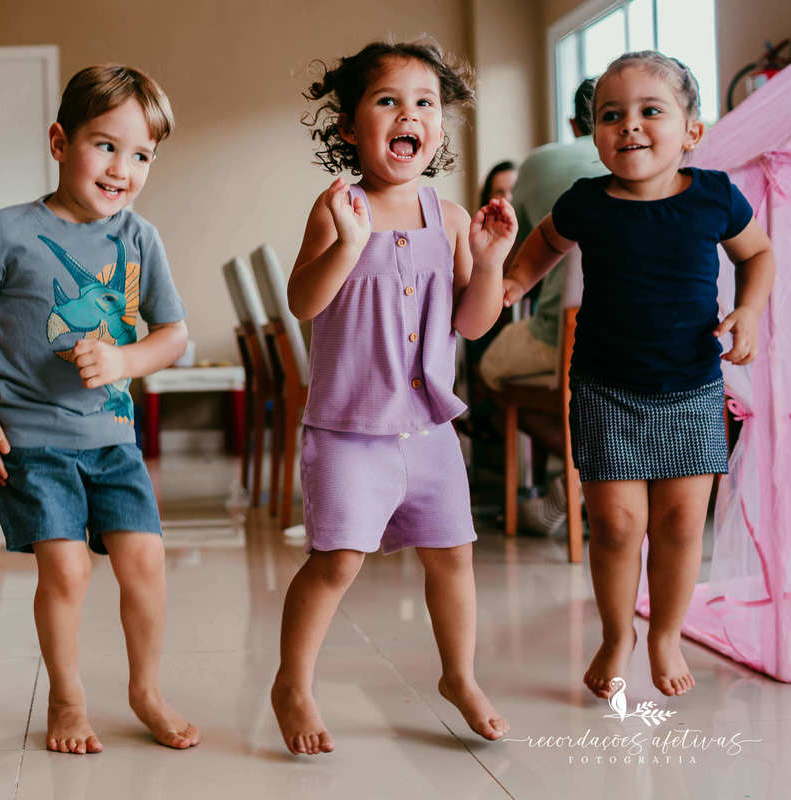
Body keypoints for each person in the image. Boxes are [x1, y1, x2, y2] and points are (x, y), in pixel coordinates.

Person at [270, 39, 518, 755]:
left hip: (430, 430)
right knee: (337, 560)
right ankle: (293, 682)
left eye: (425, 103)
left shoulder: (446, 217)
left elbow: (471, 323)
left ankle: (459, 675)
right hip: (350, 429)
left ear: (438, 128)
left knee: (452, 555)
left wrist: (493, 258)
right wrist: (347, 245)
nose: (409, 114)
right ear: (349, 126)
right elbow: (301, 300)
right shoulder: (339, 207)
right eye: (388, 100)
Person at [503, 51, 774, 698]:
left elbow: (758, 252)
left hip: (692, 387)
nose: (629, 126)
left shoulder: (713, 196)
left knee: (682, 524)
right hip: (605, 388)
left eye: (651, 111)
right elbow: (539, 249)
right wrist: (508, 281)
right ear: (594, 133)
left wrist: (750, 310)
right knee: (618, 525)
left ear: (691, 131)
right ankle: (615, 631)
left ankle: (664, 632)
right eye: (610, 115)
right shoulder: (587, 203)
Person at [0, 65, 198, 755]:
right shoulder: (7, 232)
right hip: (30, 439)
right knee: (66, 568)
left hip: (113, 438)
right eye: (106, 145)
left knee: (145, 559)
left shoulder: (140, 239)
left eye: (141, 154)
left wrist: (124, 361)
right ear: (60, 142)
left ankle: (145, 689)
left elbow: (174, 335)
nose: (123, 168)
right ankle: (67, 697)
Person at [478, 78, 605, 535]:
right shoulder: (680, 176)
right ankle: (605, 472)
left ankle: (588, 477)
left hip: (563, 334)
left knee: (491, 372)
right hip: (657, 334)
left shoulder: (542, 163)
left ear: (574, 123)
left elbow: (522, 254)